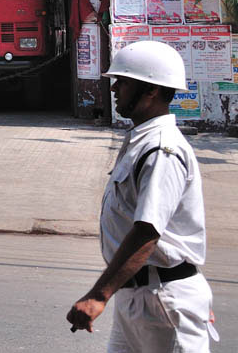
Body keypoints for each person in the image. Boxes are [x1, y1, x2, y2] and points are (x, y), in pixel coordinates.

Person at [67, 40, 217, 351]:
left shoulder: (162, 150)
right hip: (137, 297)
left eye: (122, 82)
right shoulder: (141, 140)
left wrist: (98, 295)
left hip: (163, 301)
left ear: (150, 91)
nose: (114, 89)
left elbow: (147, 232)